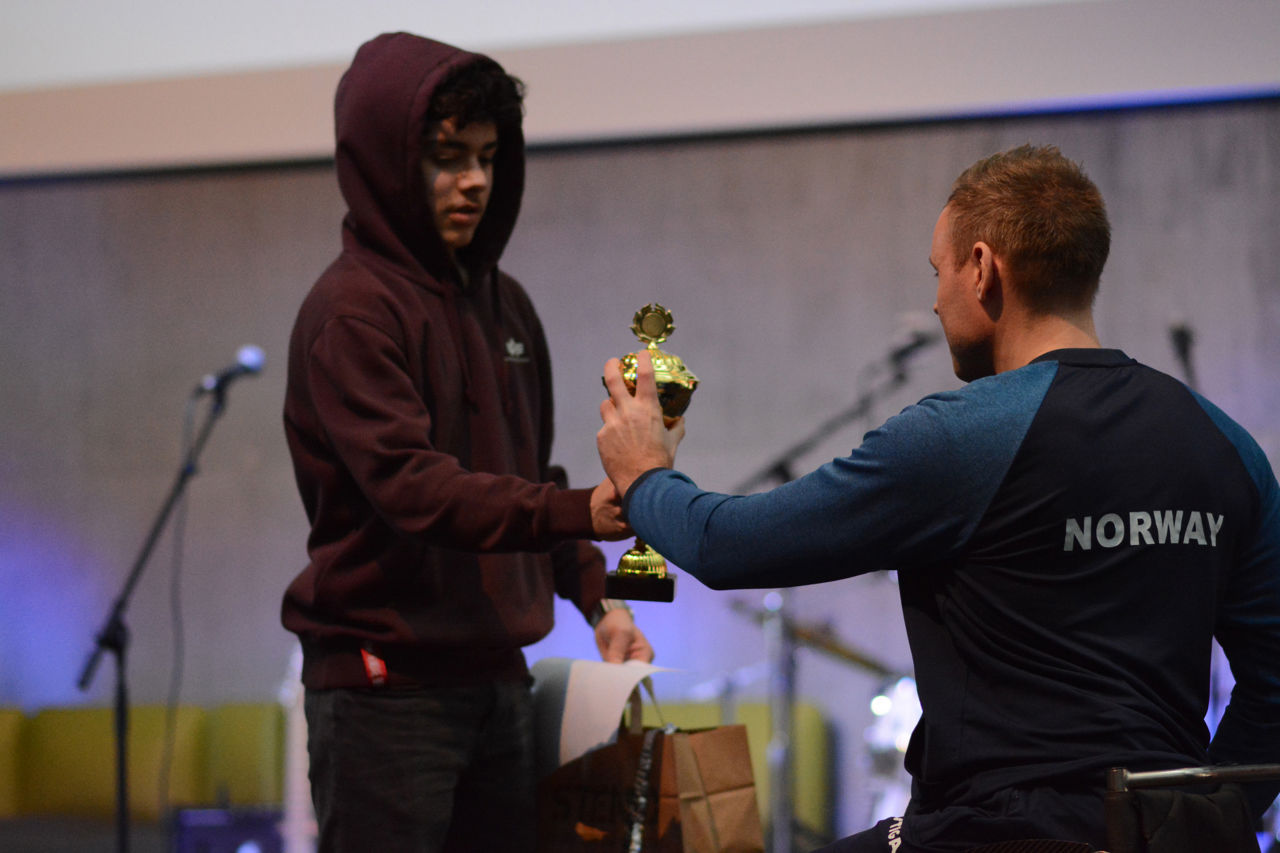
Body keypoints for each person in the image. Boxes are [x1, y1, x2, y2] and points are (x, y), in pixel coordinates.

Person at [597, 145, 1280, 851]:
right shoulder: (1225, 443)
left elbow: (724, 543)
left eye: (938, 271)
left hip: (987, 831)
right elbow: (1275, 687)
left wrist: (645, 473)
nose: (934, 297)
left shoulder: (964, 436)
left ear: (983, 268)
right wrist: (1203, 818)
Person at [281, 32, 652, 852]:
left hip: (496, 679)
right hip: (387, 692)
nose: (475, 180)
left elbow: (527, 475)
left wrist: (601, 601)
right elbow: (416, 486)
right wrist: (579, 509)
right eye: (447, 156)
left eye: (488, 155)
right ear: (386, 160)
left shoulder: (506, 305)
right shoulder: (351, 313)